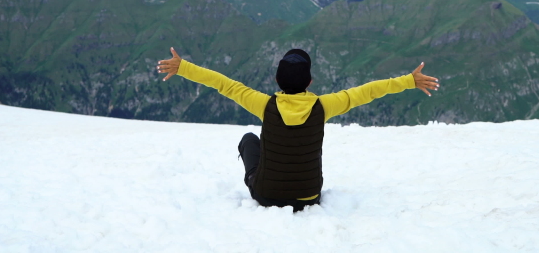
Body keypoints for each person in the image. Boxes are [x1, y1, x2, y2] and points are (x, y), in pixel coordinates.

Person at [157, 47, 439, 212]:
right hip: (309, 196)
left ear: (277, 80)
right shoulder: (324, 106)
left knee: (248, 140)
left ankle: (262, 180)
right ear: (310, 81)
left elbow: (225, 84)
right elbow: (366, 92)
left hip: (266, 195)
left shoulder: (264, 105)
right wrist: (408, 81)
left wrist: (183, 67)